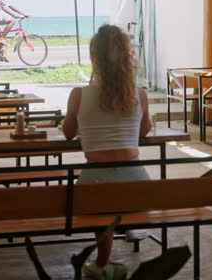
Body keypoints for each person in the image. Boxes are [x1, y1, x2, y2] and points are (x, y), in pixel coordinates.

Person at [62, 24, 153, 279]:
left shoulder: (79, 94)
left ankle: (103, 261)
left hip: (95, 182)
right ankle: (131, 225)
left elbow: (68, 132)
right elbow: (143, 131)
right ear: (127, 58)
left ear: (95, 58)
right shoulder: (139, 94)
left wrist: (87, 126)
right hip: (138, 183)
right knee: (118, 195)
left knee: (101, 197)